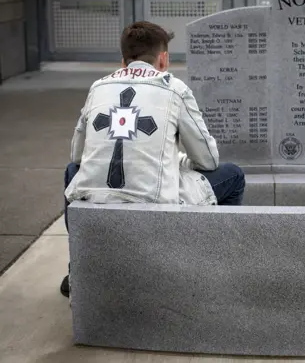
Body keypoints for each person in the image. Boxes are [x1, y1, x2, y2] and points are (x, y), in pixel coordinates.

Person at [60, 21, 245, 298]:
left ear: (123, 61)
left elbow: (77, 156)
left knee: (72, 171)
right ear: (164, 59)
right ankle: (215, 268)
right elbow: (207, 160)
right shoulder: (175, 89)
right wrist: (176, 161)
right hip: (153, 204)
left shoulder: (98, 87)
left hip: (96, 204)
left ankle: (79, 266)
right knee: (233, 176)